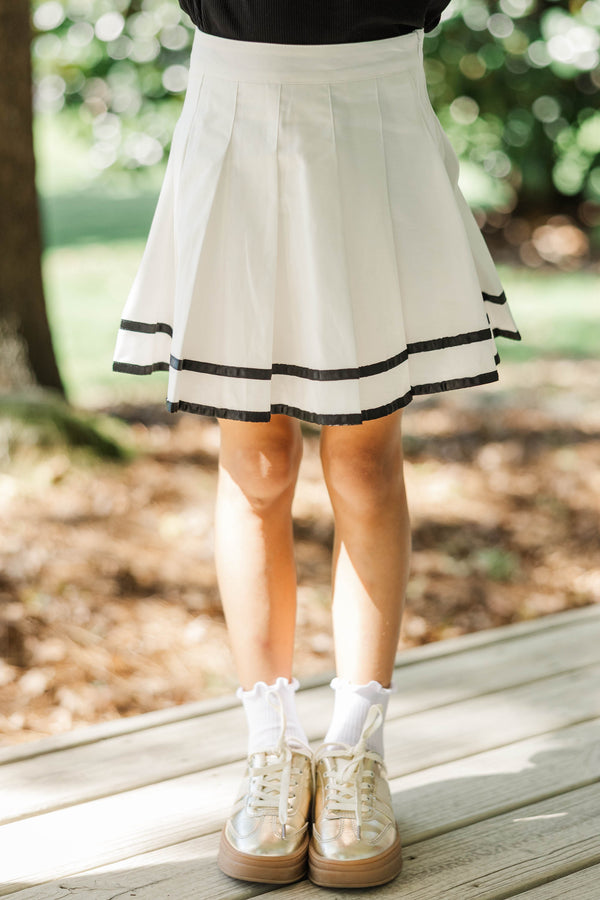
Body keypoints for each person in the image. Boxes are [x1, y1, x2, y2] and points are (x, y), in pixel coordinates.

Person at [112, 0, 522, 889]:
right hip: (237, 115)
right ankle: (270, 750)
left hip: (376, 116)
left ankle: (355, 748)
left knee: (367, 461)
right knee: (254, 466)